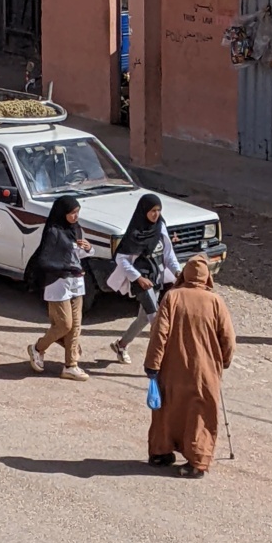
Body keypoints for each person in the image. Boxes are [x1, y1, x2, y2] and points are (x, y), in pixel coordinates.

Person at [144, 254, 236, 479]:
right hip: (204, 372)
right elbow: (228, 338)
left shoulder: (172, 297)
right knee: (199, 414)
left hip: (172, 370)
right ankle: (197, 461)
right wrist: (225, 360)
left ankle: (161, 452)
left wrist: (152, 365)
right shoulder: (215, 301)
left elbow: (159, 334)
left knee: (166, 410)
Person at [107, 193, 181, 364]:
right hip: (141, 282)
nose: (155, 214)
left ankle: (121, 344)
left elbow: (168, 255)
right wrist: (138, 277)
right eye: (152, 210)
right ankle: (163, 360)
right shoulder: (134, 233)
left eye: (158, 210)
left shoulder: (160, 228)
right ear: (143, 211)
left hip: (156, 278)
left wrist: (178, 272)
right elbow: (121, 258)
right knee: (155, 318)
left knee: (143, 318)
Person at [27, 195, 94, 381]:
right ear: (62, 213)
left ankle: (70, 366)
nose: (75, 216)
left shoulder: (76, 229)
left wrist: (88, 249)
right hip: (58, 284)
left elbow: (75, 254)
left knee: (76, 327)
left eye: (77, 212)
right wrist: (66, 268)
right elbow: (45, 260)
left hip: (76, 283)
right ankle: (38, 348)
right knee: (64, 324)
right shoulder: (53, 232)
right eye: (72, 213)